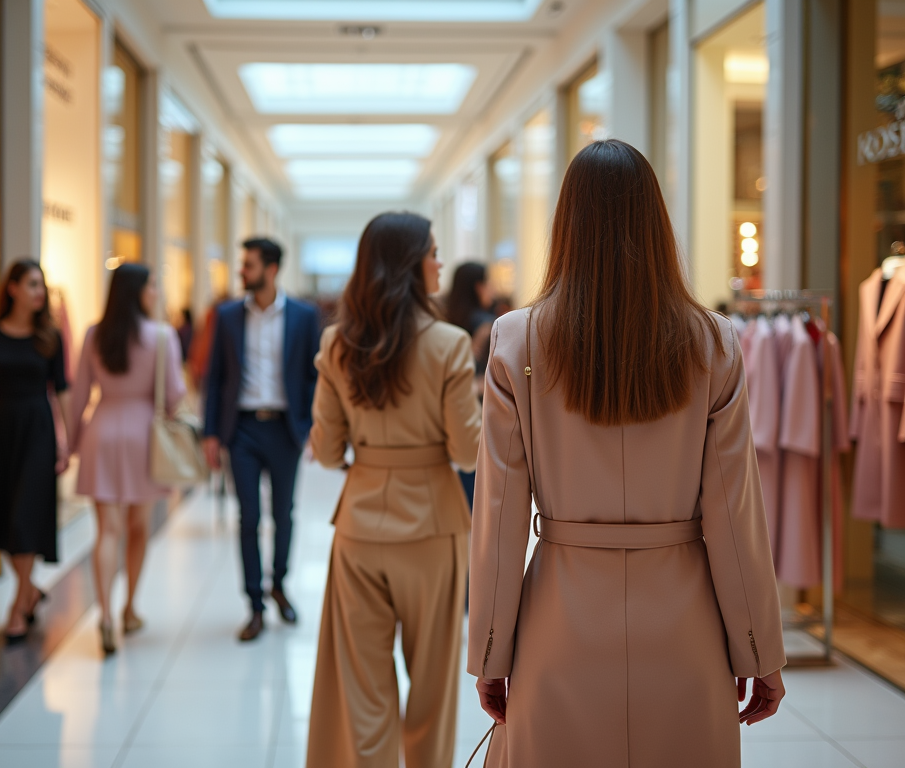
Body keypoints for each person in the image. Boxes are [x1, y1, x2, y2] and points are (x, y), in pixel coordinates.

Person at [468, 140, 786, 767]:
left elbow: (500, 519)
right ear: (656, 224)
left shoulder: (516, 339)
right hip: (684, 625)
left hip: (560, 623)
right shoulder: (713, 344)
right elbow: (733, 512)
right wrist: (760, 651)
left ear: (566, 225)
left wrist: (490, 652)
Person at [305, 212, 482, 768]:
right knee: (432, 686)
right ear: (411, 264)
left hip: (359, 525)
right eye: (433, 251)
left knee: (363, 689)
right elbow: (468, 453)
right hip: (434, 524)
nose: (440, 262)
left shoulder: (337, 345)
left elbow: (328, 452)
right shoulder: (450, 345)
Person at [202, 237, 321, 641]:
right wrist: (211, 434)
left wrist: (310, 426)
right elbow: (214, 377)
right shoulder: (229, 315)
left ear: (271, 269)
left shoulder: (304, 316)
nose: (242, 271)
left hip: (285, 428)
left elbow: (312, 375)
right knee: (247, 518)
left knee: (283, 514)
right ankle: (254, 604)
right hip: (244, 429)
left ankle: (279, 585)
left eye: (249, 265)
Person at [68, 264, 186, 655]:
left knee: (107, 532)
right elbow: (173, 396)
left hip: (101, 432)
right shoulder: (163, 336)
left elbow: (80, 394)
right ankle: (129, 609)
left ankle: (102, 615)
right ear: (138, 291)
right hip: (143, 437)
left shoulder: (93, 334)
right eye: (152, 286)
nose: (156, 292)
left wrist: (69, 444)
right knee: (138, 528)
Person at [0, 259, 70, 643]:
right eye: (31, 284)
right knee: (6, 518)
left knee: (26, 516)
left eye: (41, 285)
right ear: (12, 288)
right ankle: (30, 589)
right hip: (0, 431)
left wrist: (65, 437)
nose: (39, 292)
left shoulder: (51, 337)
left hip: (38, 431)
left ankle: (18, 603)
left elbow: (60, 392)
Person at [444, 261, 497, 507]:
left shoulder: (444, 321)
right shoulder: (487, 325)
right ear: (478, 287)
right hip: (481, 411)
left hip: (447, 408)